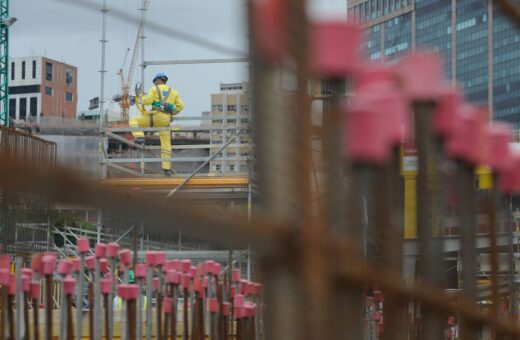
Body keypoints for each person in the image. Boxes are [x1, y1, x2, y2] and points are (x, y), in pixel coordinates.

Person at [130, 72, 184, 176]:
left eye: (155, 81)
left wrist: (140, 96)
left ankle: (140, 137)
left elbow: (147, 101)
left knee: (133, 121)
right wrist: (172, 111)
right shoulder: (174, 92)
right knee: (166, 143)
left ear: (157, 80)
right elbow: (180, 107)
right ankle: (166, 168)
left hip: (154, 116)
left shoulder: (154, 89)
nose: (154, 83)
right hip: (165, 119)